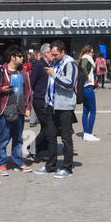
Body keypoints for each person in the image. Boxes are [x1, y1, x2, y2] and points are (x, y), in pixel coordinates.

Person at [36, 40, 79, 178]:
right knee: (51, 136)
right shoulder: (55, 63)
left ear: (62, 52)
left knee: (66, 137)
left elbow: (70, 84)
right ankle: (51, 166)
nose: (53, 57)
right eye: (52, 55)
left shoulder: (70, 64)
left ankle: (67, 168)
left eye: (55, 55)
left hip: (65, 106)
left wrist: (54, 74)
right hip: (52, 105)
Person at [0, 49, 31, 173]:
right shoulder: (0, 71)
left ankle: (18, 161)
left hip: (20, 110)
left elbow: (28, 91)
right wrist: (1, 89)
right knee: (3, 138)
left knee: (18, 138)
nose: (22, 58)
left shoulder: (23, 72)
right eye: (20, 56)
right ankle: (1, 164)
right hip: (5, 110)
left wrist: (28, 107)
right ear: (12, 57)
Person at [29, 42, 54, 163]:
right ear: (46, 53)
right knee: (50, 126)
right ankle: (33, 148)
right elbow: (31, 82)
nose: (54, 55)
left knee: (45, 126)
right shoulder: (39, 65)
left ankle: (42, 152)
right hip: (39, 101)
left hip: (47, 101)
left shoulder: (50, 64)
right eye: (52, 53)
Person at [78, 44, 100, 142]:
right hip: (89, 88)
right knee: (93, 111)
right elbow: (83, 67)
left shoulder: (82, 58)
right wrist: (87, 77)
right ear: (87, 52)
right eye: (92, 52)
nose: (93, 54)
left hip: (84, 88)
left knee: (85, 111)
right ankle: (89, 133)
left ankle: (86, 134)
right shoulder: (86, 58)